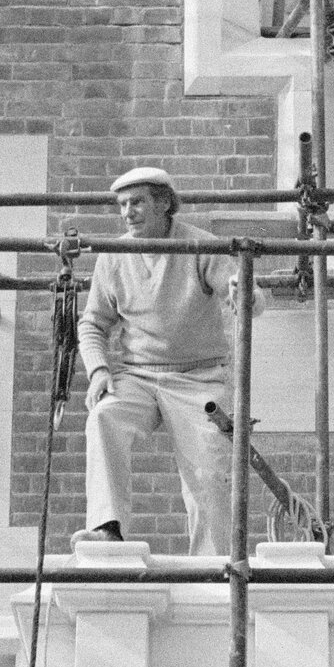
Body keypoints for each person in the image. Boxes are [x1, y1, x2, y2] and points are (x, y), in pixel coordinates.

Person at [78, 165, 238, 552]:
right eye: (122, 204)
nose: (127, 212)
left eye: (137, 202)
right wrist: (99, 370)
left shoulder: (201, 246)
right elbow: (92, 323)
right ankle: (107, 527)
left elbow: (245, 293)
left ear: (165, 203)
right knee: (104, 416)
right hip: (138, 376)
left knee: (210, 469)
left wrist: (241, 291)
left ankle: (213, 565)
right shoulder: (114, 256)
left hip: (199, 377)